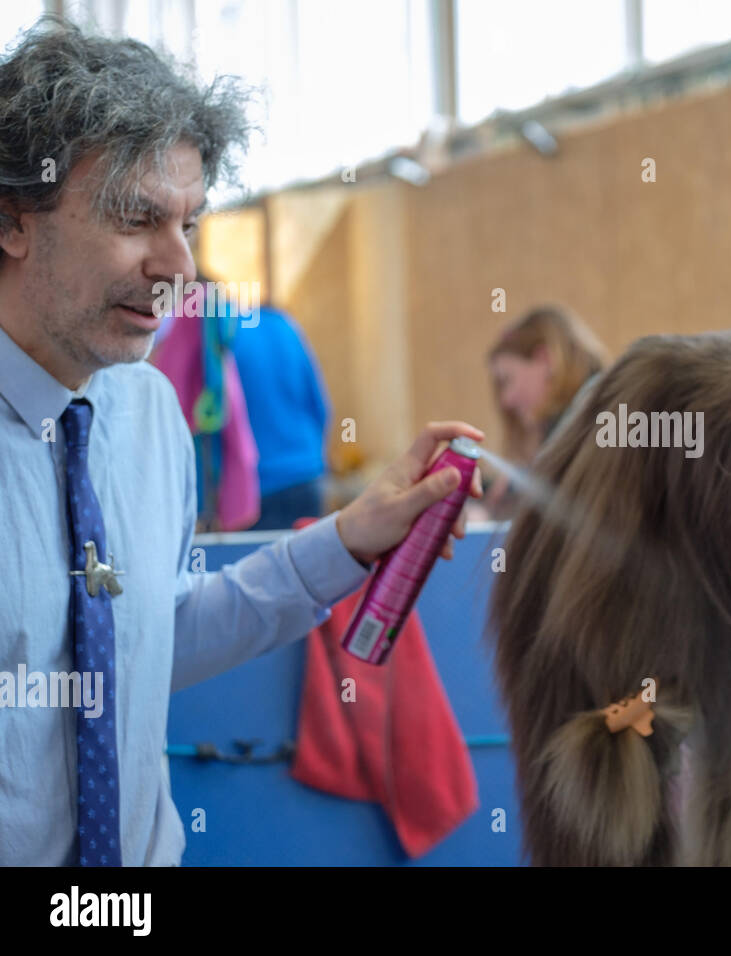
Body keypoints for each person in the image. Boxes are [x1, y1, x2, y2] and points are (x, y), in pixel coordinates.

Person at [0, 18, 483, 866]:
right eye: (135, 219)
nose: (178, 264)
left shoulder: (148, 415)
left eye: (188, 223)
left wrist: (348, 542)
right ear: (12, 220)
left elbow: (152, 639)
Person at [473, 304, 607, 519]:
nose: (506, 400)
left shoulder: (588, 421)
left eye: (507, 380)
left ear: (545, 359)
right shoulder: (593, 411)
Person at [227, 304, 332, 530]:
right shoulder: (283, 325)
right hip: (306, 475)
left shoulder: (219, 335)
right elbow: (320, 406)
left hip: (255, 489)